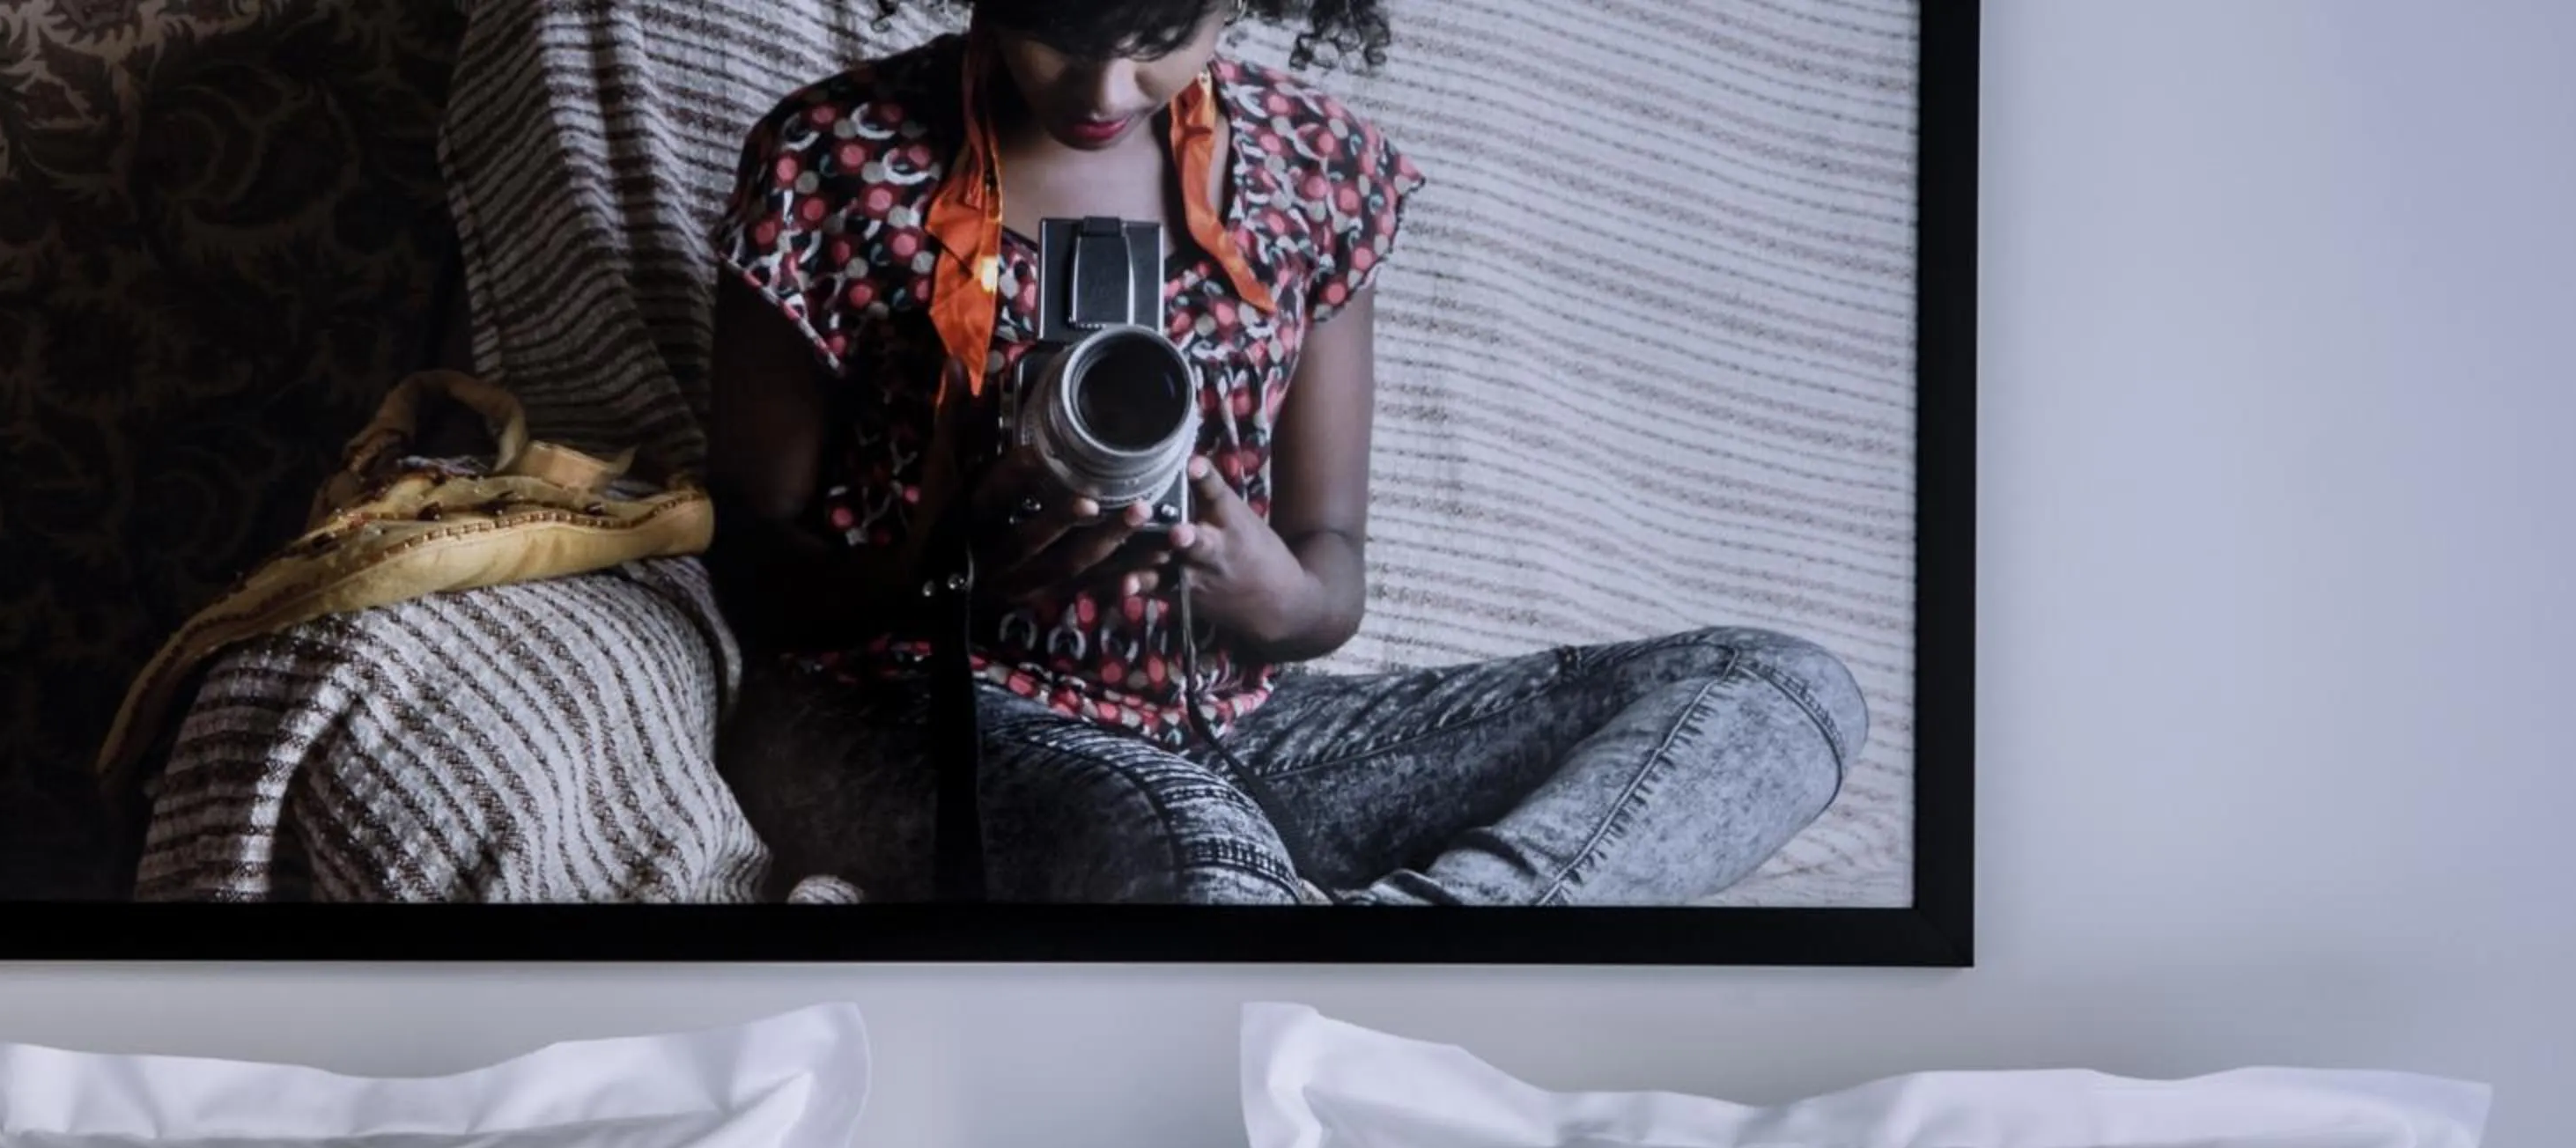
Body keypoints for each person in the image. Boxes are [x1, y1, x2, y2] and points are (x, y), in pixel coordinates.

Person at [708, 0, 1866, 905]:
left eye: (1160, 37)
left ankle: (1378, 952)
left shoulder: (1309, 164)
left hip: (1238, 721)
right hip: (926, 713)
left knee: (1778, 695)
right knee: (1202, 856)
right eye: (1055, 34)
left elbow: (1333, 563)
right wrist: (939, 560)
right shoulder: (834, 158)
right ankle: (1307, 960)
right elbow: (751, 572)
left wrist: (1281, 598)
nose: (1105, 89)